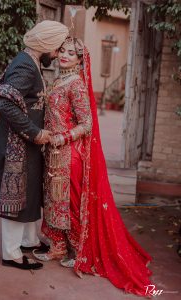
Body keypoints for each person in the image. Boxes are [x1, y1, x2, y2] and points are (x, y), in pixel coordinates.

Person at [32, 36, 153, 296]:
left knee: (71, 202)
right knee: (53, 200)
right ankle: (58, 246)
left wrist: (62, 137)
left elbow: (86, 124)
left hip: (68, 154)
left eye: (71, 53)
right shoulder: (59, 79)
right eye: (62, 51)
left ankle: (78, 249)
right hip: (51, 152)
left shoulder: (76, 84)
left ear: (80, 60)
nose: (64, 55)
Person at [0, 20, 69, 270]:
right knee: (15, 195)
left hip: (26, 144)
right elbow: (5, 104)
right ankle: (11, 254)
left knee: (29, 191)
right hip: (18, 144)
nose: (57, 54)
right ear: (47, 45)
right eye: (57, 49)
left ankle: (27, 241)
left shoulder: (30, 61)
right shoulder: (25, 65)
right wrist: (34, 132)